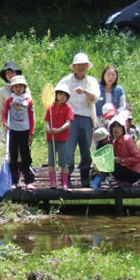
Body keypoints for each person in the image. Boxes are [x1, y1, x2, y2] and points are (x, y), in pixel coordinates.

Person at [58, 53, 100, 187]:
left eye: (84, 65)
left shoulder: (91, 81)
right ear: (74, 66)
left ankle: (85, 175)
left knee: (86, 149)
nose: (81, 67)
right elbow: (57, 94)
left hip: (87, 118)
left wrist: (85, 91)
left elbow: (96, 97)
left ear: (87, 66)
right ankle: (67, 176)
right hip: (70, 119)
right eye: (79, 65)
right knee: (68, 149)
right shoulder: (66, 81)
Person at [3, 75, 36, 189]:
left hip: (25, 131)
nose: (18, 89)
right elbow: (4, 114)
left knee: (25, 155)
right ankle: (14, 181)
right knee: (13, 155)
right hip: (13, 131)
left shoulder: (28, 101)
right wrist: (4, 123)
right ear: (12, 88)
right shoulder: (9, 100)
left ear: (24, 87)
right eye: (16, 86)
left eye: (20, 86)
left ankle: (28, 181)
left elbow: (32, 117)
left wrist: (32, 132)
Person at [44, 83, 74, 189]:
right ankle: (53, 182)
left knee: (63, 161)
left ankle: (64, 183)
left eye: (65, 95)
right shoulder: (50, 108)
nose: (62, 97)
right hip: (51, 138)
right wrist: (49, 129)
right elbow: (47, 121)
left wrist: (58, 130)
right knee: (51, 160)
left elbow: (68, 123)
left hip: (62, 139)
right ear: (56, 95)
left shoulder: (68, 108)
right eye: (60, 94)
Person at [109, 115, 140, 186]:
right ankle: (123, 181)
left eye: (119, 126)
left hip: (135, 173)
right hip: (125, 168)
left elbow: (139, 158)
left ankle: (127, 181)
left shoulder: (128, 140)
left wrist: (122, 160)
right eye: (114, 126)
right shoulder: (115, 142)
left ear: (123, 129)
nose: (116, 129)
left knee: (113, 165)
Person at [0, 61, 24, 141]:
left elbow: (31, 107)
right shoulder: (2, 91)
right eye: (8, 73)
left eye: (12, 72)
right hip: (9, 125)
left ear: (17, 73)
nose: (10, 75)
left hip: (23, 124)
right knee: (11, 151)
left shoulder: (24, 89)